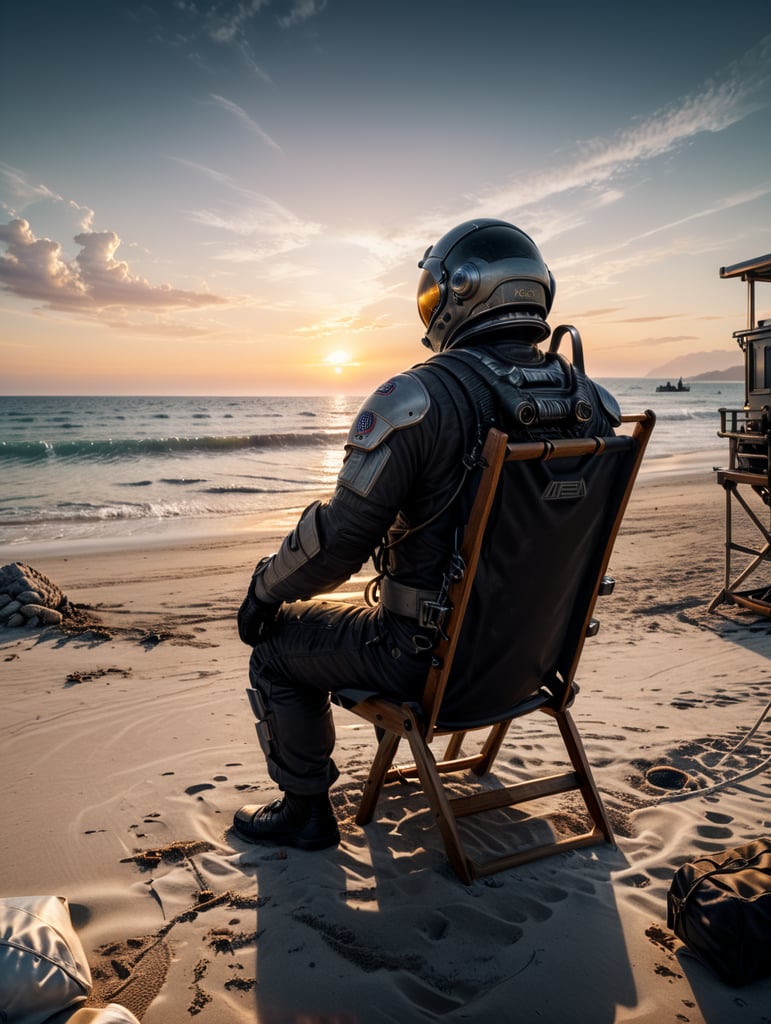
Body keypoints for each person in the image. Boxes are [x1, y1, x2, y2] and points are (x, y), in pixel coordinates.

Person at [233, 218, 621, 851]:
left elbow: (338, 543)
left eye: (431, 293)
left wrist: (264, 590)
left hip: (426, 663)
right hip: (535, 662)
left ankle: (304, 811)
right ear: (536, 291)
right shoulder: (596, 403)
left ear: (459, 290)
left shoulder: (418, 397)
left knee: (275, 647)